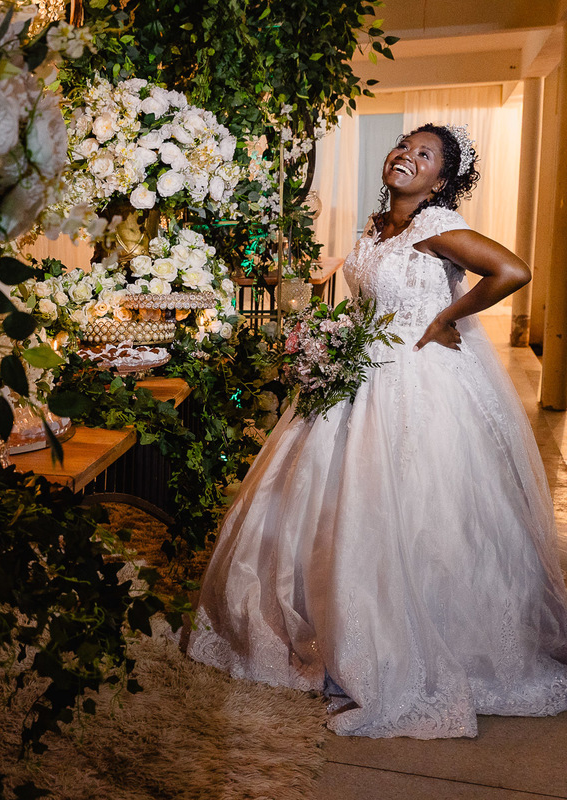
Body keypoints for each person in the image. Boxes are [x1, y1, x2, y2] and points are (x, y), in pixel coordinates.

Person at [187, 123, 567, 739]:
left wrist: (445, 317)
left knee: (411, 510)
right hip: (357, 377)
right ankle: (334, 625)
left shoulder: (435, 226)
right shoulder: (376, 227)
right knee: (332, 504)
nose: (407, 157)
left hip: (417, 380)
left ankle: (410, 642)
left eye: (425, 155)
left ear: (440, 182)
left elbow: (511, 270)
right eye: (405, 146)